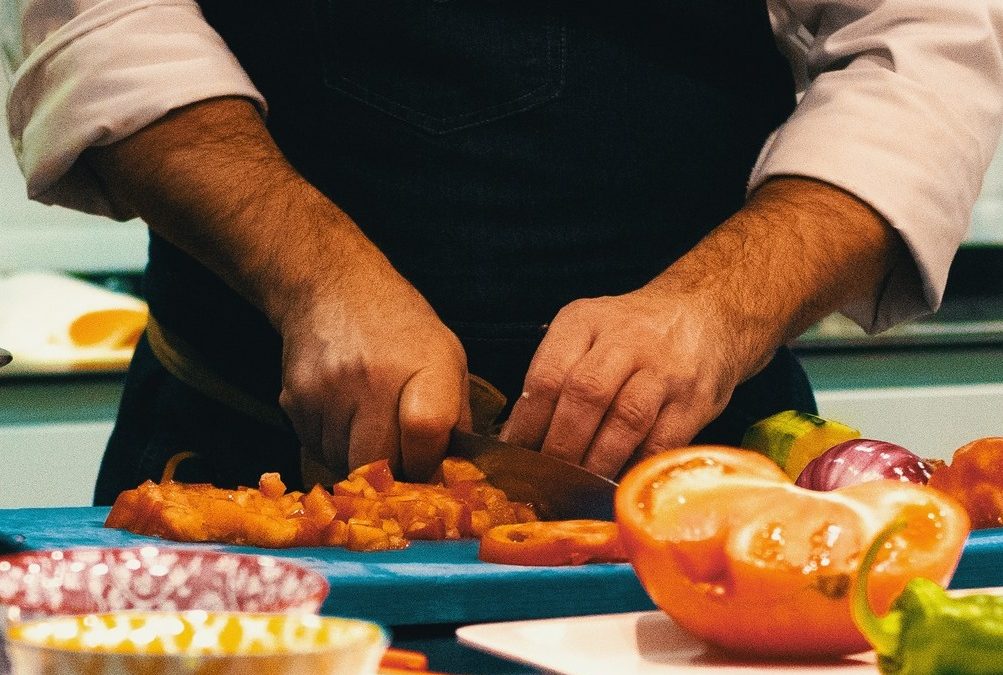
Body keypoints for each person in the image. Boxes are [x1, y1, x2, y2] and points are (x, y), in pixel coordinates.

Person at [5, 1, 1002, 503]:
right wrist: (316, 275)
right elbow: (98, 16)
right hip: (238, 458)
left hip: (700, 481)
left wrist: (716, 308)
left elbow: (920, 38)